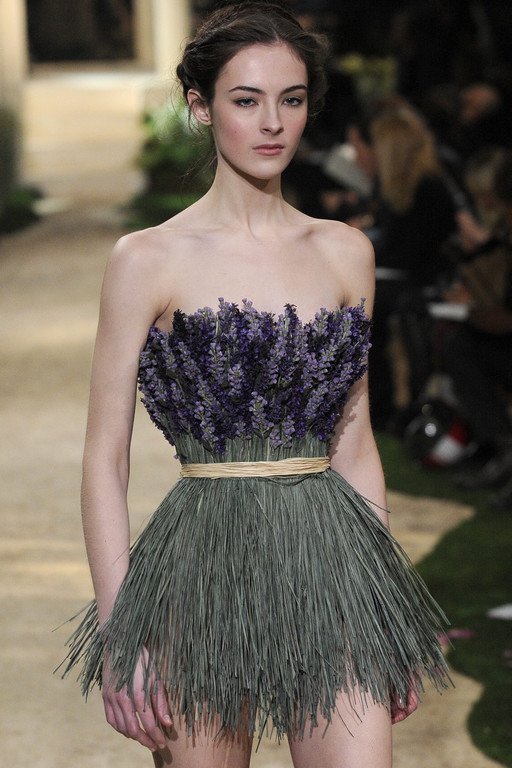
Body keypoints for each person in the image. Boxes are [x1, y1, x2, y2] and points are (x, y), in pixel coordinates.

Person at [61, 4, 451, 766]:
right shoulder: (146, 260)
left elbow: (355, 445)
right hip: (201, 568)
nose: (273, 123)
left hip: (334, 566)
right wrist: (121, 633)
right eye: (247, 100)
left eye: (292, 99)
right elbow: (105, 459)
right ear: (201, 106)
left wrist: (387, 611)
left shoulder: (346, 252)